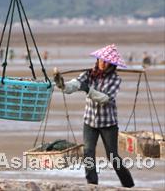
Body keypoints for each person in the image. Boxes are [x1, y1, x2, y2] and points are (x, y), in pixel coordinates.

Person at [54, 44, 134, 188]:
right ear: (97, 60)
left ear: (112, 64)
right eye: (100, 60)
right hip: (90, 121)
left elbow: (105, 98)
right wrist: (63, 85)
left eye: (106, 61)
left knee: (112, 156)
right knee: (88, 152)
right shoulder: (88, 74)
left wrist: (88, 89)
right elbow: (75, 84)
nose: (103, 63)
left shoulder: (115, 79)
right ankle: (92, 184)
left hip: (108, 123)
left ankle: (128, 184)